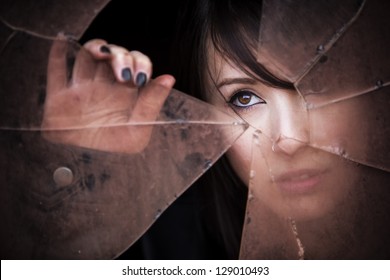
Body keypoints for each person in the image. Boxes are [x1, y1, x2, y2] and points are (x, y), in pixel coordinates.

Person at [42, 0, 390, 259]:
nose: (290, 138)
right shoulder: (170, 253)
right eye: (244, 98)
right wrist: (84, 184)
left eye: (318, 81)